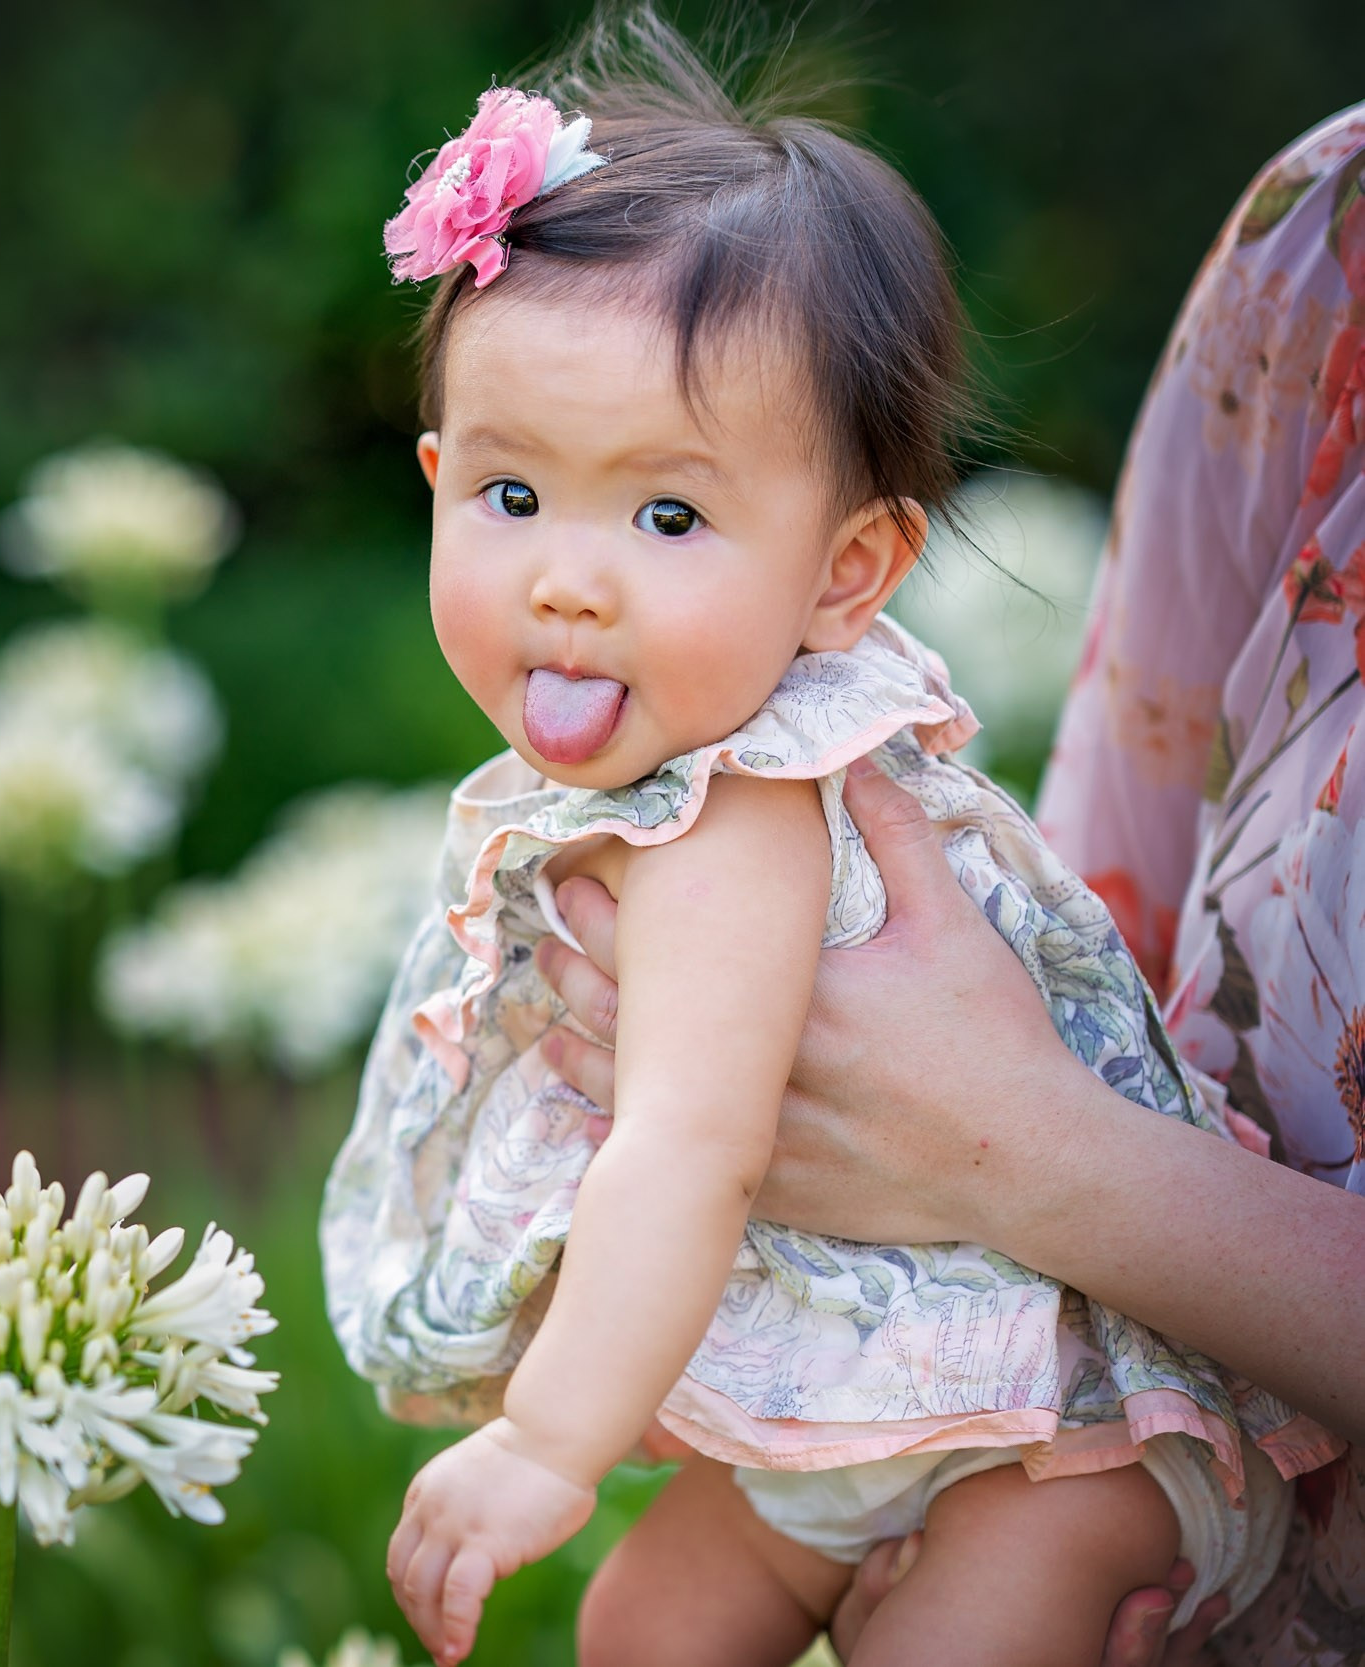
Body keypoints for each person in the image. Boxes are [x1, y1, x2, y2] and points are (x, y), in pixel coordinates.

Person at [315, 14, 1350, 1667]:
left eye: (668, 515)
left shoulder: (752, 806)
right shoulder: (648, 764)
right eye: (511, 497)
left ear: (846, 576)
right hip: (869, 1378)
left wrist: (547, 1442)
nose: (567, 578)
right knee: (644, 1629)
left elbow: (690, 1143)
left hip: (1053, 1409)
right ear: (435, 479)